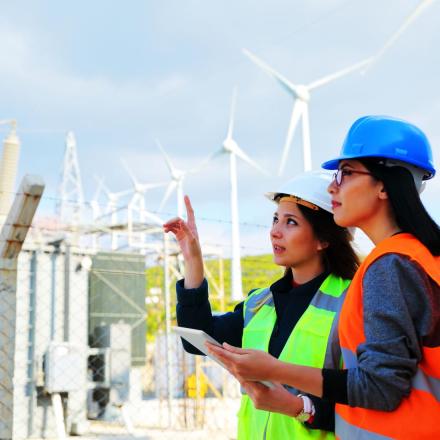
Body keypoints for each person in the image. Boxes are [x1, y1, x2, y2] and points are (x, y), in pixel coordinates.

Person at [207, 115, 440, 440]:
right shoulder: (421, 257)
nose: (332, 186)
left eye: (346, 173)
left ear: (385, 185)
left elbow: (381, 387)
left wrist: (274, 369)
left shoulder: (391, 264)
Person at [163, 170, 360, 439]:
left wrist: (299, 408)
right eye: (275, 219)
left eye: (291, 222)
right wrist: (193, 260)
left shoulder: (352, 303)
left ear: (323, 239)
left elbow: (364, 399)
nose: (275, 232)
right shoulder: (259, 303)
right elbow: (197, 338)